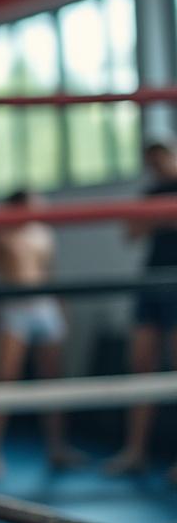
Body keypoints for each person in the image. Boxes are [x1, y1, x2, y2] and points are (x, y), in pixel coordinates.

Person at [0, 190, 83, 481]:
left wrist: (61, 309)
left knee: (52, 382)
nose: (38, 210)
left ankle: (57, 448)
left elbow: (49, 273)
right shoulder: (0, 234)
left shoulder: (44, 233)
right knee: (3, 383)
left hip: (44, 306)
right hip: (14, 308)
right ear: (17, 207)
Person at [108, 142, 177, 477]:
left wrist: (159, 220)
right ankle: (135, 450)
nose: (156, 166)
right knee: (141, 369)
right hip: (150, 282)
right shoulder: (149, 193)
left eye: (160, 158)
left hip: (176, 283)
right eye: (150, 161)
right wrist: (157, 219)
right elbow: (131, 233)